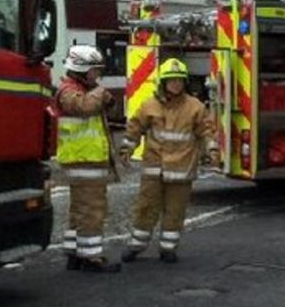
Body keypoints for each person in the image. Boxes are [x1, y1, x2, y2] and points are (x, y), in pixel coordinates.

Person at [118, 58, 219, 263]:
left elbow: (207, 132)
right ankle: (137, 245)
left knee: (175, 211)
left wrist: (213, 150)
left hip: (182, 169)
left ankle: (168, 248)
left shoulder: (194, 107)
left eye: (180, 80)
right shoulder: (149, 106)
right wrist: (127, 148)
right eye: (171, 80)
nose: (176, 84)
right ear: (163, 82)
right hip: (154, 169)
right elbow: (135, 128)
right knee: (146, 208)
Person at [55, 46, 122, 273]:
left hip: (85, 160)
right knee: (93, 210)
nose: (97, 75)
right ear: (80, 69)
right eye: (94, 71)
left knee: (79, 211)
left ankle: (74, 253)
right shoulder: (68, 91)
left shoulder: (82, 89)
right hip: (84, 160)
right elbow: (84, 107)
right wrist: (101, 93)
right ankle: (91, 257)